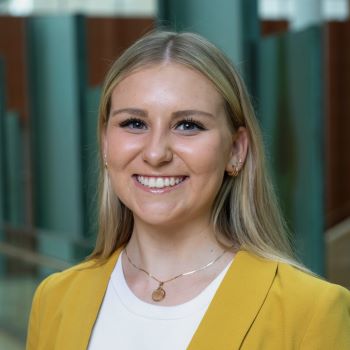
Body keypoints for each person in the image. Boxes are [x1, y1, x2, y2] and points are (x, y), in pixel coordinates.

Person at [26, 31, 350, 350]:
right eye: (134, 123)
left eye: (188, 125)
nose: (156, 154)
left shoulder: (310, 311)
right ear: (106, 144)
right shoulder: (55, 299)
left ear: (236, 150)